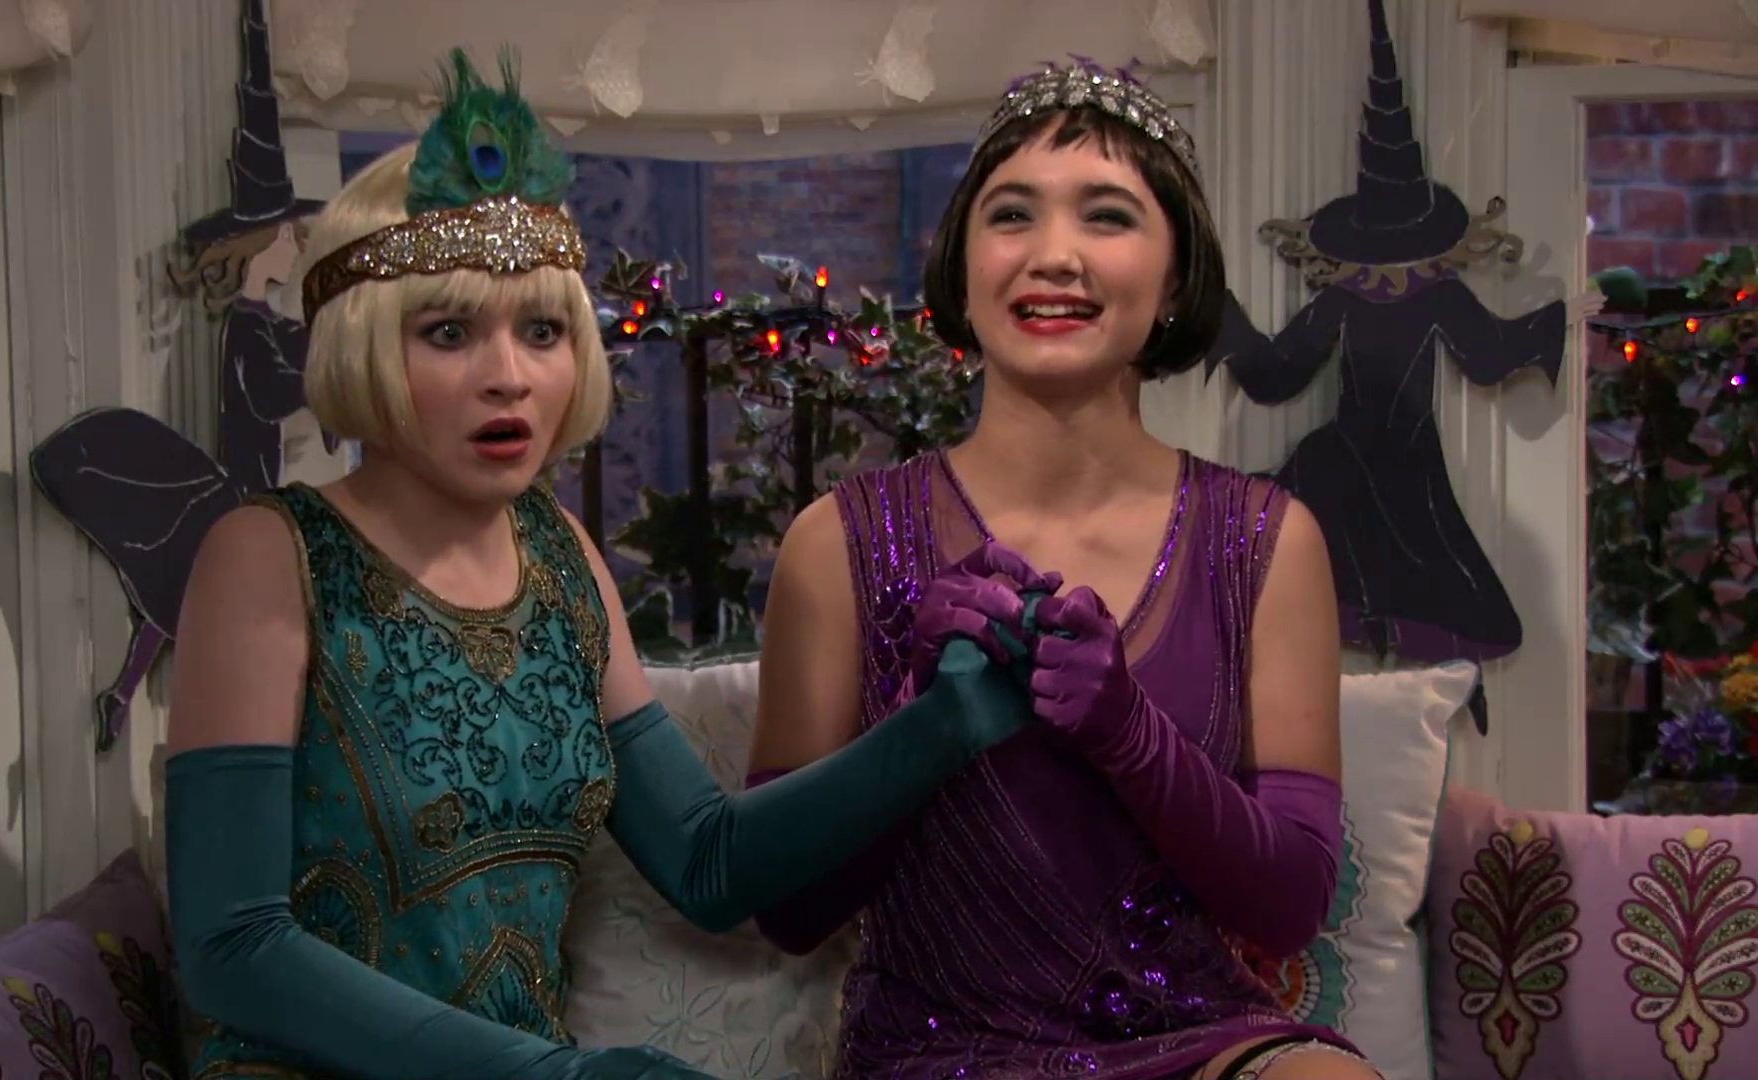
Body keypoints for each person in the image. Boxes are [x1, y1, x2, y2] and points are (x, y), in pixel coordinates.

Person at [161, 49, 1035, 1080]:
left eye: (541, 331)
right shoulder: (270, 553)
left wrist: (936, 728)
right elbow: (233, 948)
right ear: (363, 347)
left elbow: (707, 860)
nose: (509, 376)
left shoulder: (560, 555)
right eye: (449, 332)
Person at [746, 59, 1383, 1080]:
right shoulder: (837, 544)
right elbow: (786, 910)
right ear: (962, 271)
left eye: (1107, 217)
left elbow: (1291, 906)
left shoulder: (1267, 542)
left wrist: (1128, 730)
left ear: (1175, 277)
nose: (1053, 256)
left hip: (1201, 1042)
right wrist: (921, 728)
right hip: (939, 1055)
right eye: (1012, 216)